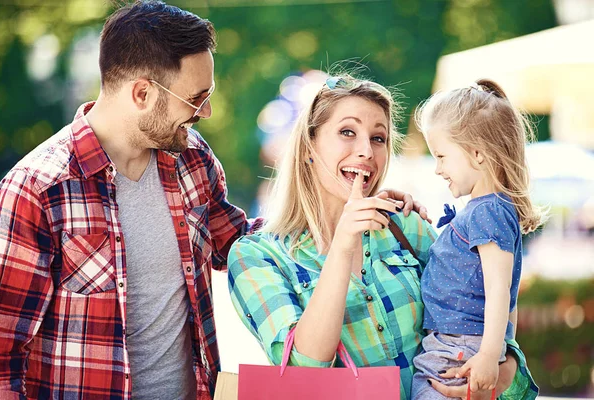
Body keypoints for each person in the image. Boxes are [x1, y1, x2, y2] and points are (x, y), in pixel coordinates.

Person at [0, 2, 422, 399]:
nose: (209, 111)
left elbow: (244, 241)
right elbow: (0, 358)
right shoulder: (37, 190)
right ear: (142, 93)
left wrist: (353, 207)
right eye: (196, 98)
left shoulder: (191, 160)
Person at [228, 74, 539, 400]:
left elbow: (480, 313)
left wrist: (502, 374)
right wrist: (343, 242)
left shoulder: (407, 228)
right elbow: (303, 372)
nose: (366, 151)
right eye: (347, 132)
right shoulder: (255, 256)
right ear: (309, 145)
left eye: (379, 138)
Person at [411, 79, 545, 399]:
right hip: (458, 344)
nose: (438, 169)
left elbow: (499, 291)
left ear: (476, 153)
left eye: (441, 156)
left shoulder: (488, 212)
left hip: (461, 346)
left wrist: (488, 355)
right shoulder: (488, 209)